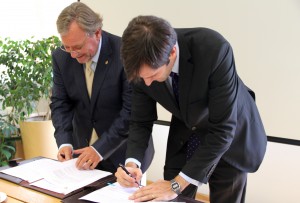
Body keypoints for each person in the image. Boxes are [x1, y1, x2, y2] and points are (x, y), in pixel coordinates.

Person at [115, 15, 267, 203]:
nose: (146, 83)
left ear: (171, 53)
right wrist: (132, 163)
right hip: (186, 129)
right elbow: (139, 120)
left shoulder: (214, 49)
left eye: (152, 75)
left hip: (231, 134)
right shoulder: (139, 61)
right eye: (141, 78)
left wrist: (175, 185)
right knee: (169, 199)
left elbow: (223, 131)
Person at [50, 3, 154, 173]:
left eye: (77, 47)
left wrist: (99, 149)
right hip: (82, 155)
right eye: (67, 47)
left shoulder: (125, 53)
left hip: (122, 152)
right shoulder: (61, 57)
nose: (73, 54)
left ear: (97, 33)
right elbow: (60, 103)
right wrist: (64, 142)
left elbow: (131, 111)